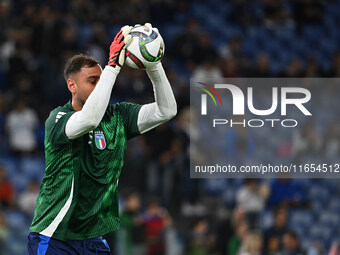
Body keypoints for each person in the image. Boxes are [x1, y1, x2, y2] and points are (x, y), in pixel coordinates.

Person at [27, 23, 177, 255]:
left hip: (93, 240)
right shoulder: (58, 118)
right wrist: (112, 68)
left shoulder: (118, 116)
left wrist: (153, 64)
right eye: (92, 81)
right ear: (72, 85)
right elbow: (89, 120)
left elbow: (166, 111)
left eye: (102, 79)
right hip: (55, 236)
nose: (100, 86)